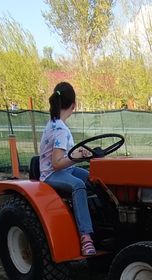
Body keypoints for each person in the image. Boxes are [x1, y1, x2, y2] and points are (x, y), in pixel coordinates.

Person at [39, 82, 96, 256]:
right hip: (51, 174)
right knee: (79, 185)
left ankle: (100, 224)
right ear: (73, 105)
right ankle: (86, 237)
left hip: (66, 170)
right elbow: (56, 163)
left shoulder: (55, 123)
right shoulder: (60, 129)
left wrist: (79, 154)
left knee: (95, 179)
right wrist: (75, 156)